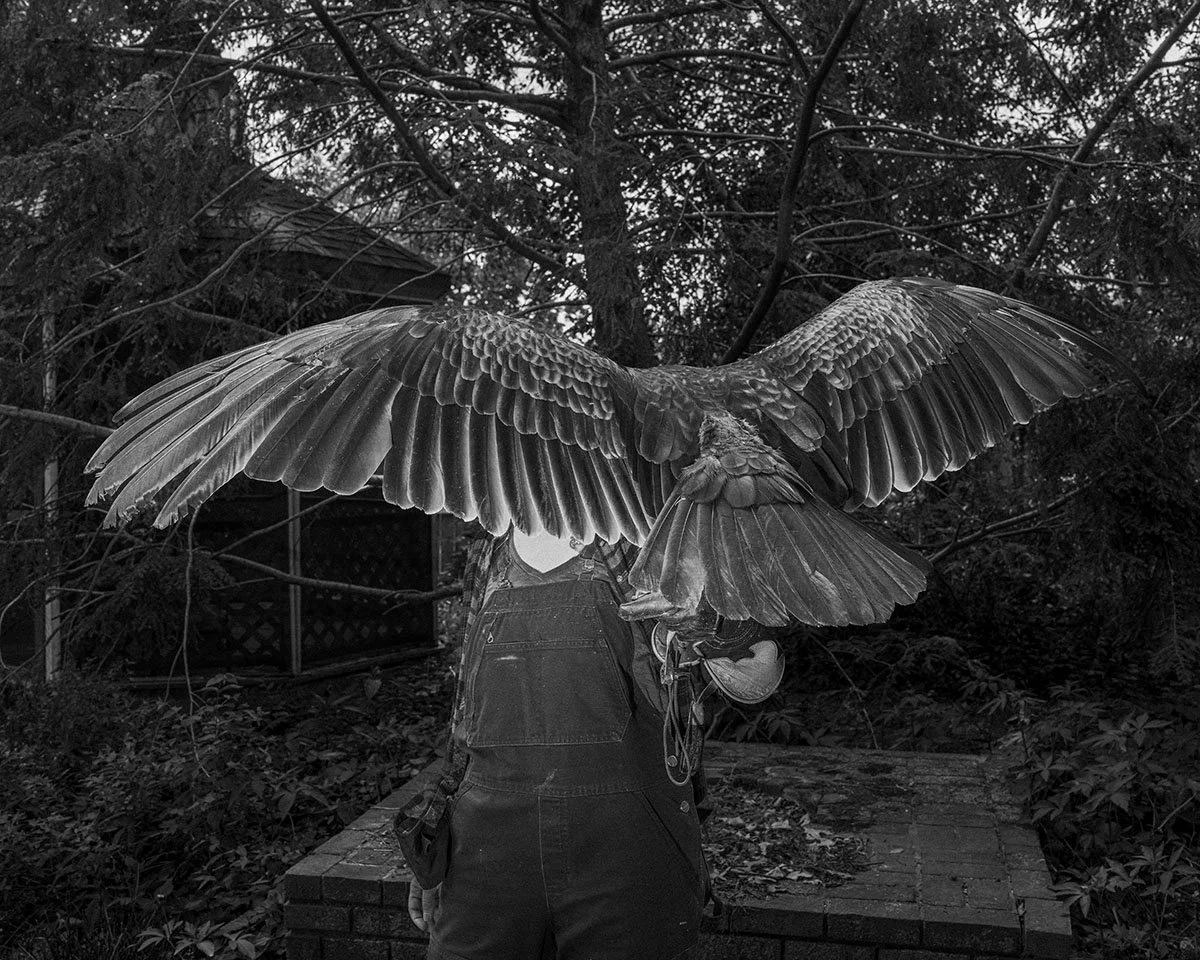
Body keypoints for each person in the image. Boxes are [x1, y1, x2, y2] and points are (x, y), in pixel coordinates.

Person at [402, 525, 780, 960]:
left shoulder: (646, 541)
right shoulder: (489, 551)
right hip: (485, 860)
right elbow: (464, 714)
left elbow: (759, 669)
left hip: (624, 857)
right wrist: (434, 846)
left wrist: (710, 623)